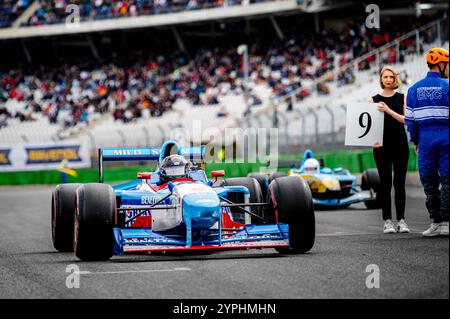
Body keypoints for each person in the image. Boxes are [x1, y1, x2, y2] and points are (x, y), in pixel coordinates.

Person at [405, 47, 449, 237]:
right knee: (447, 180)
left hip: (425, 139)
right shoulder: (447, 87)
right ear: (440, 64)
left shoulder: (413, 89)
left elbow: (410, 120)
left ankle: (436, 222)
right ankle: (447, 222)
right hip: (446, 137)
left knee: (429, 182)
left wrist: (415, 141)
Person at [369, 66, 410, 234]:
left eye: (391, 77)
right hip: (381, 147)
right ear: (381, 79)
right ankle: (387, 221)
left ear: (394, 79)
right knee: (385, 185)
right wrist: (372, 141)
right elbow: (368, 125)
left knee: (399, 184)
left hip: (400, 145)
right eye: (385, 77)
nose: (388, 79)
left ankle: (401, 220)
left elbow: (406, 120)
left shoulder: (402, 97)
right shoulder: (373, 100)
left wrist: (388, 110)